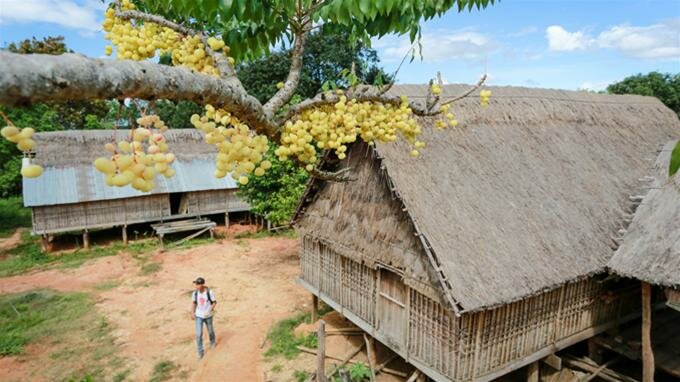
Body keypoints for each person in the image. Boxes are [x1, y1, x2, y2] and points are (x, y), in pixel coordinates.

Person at [191, 277, 217, 360]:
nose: (196, 286)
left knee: (210, 331)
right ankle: (200, 352)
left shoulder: (209, 292)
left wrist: (210, 309)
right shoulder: (195, 293)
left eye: (198, 284)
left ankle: (212, 342)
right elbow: (194, 303)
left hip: (208, 316)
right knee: (198, 334)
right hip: (199, 316)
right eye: (196, 284)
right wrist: (192, 312)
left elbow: (214, 302)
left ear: (202, 284)